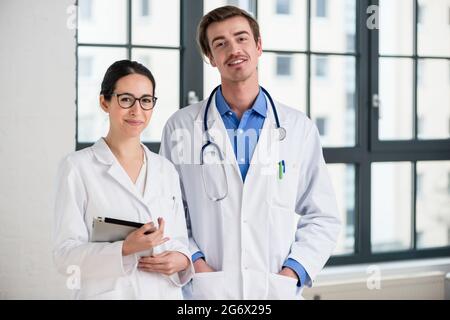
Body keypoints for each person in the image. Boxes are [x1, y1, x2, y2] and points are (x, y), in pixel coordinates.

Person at [160, 6, 341, 300]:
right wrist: (196, 263)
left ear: (258, 46)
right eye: (220, 43)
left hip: (274, 291)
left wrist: (293, 272)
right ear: (210, 57)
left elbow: (323, 216)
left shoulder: (298, 128)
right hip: (207, 290)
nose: (234, 49)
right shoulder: (180, 127)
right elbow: (169, 211)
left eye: (241, 38)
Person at [53, 60, 193, 299]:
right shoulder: (77, 167)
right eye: (126, 99)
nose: (137, 111)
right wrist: (125, 249)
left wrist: (181, 260)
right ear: (104, 102)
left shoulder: (165, 169)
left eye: (146, 100)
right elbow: (65, 257)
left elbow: (178, 241)